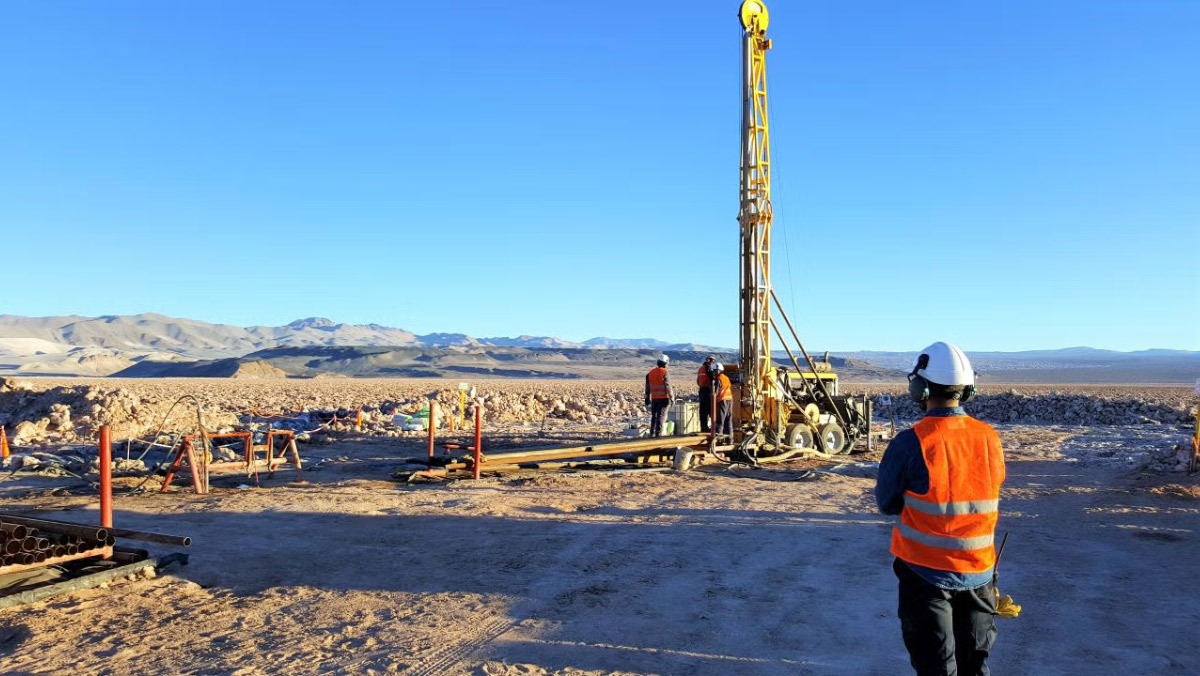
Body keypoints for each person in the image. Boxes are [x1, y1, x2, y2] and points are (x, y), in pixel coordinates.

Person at [875, 342, 1006, 676]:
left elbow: (887, 502)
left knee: (937, 667)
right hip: (981, 573)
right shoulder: (989, 437)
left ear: (921, 388)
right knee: (975, 665)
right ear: (968, 390)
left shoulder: (911, 441)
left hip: (925, 574)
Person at [644, 354, 674, 437]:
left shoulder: (650, 373)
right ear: (666, 363)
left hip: (654, 398)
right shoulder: (665, 372)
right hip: (664, 398)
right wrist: (672, 397)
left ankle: (652, 433)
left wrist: (647, 398)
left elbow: (647, 387)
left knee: (654, 416)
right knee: (661, 416)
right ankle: (658, 435)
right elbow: (667, 386)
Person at [712, 363, 734, 439]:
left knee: (720, 418)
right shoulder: (726, 378)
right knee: (728, 419)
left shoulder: (718, 379)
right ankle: (729, 438)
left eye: (714, 371)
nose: (714, 373)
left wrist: (713, 396)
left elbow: (716, 391)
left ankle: (718, 437)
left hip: (722, 400)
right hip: (729, 400)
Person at [697, 355, 716, 433]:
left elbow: (698, 381)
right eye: (712, 361)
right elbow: (712, 378)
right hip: (707, 390)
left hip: (701, 390)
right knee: (710, 409)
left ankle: (703, 426)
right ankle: (712, 427)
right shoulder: (708, 368)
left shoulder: (700, 369)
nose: (712, 363)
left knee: (703, 410)